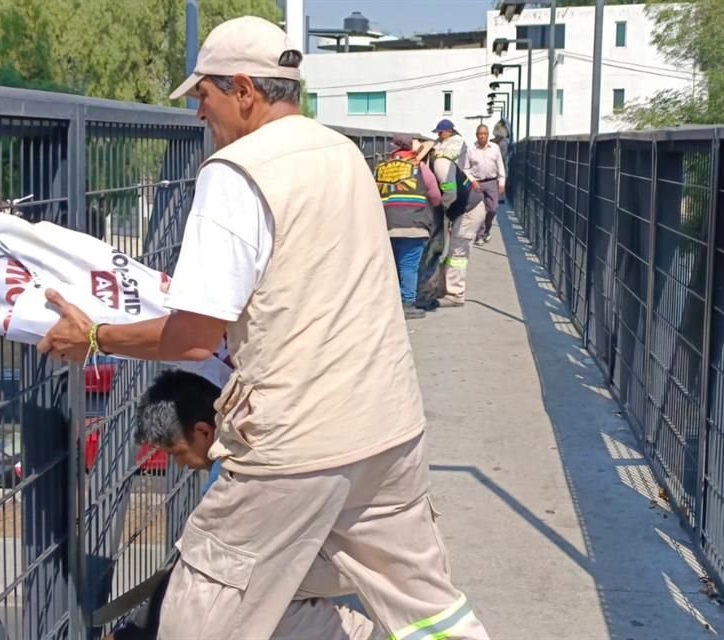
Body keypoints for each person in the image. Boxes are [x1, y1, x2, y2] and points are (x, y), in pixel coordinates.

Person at [38, 15, 489, 640]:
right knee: (427, 608)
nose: (201, 114)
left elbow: (196, 335)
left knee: (197, 617)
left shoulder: (237, 173)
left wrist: (94, 336)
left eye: (204, 95)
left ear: (245, 90)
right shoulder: (346, 154)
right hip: (389, 425)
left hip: (298, 444)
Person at [106, 369, 374, 640]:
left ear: (203, 431)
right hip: (352, 547)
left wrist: (134, 633)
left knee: (229, 603)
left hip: (335, 564)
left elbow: (205, 574)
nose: (179, 464)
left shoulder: (231, 479)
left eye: (176, 453)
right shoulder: (249, 440)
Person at [374, 133, 442, 319]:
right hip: (414, 223)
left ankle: (391, 302)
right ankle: (407, 303)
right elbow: (435, 195)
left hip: (386, 223)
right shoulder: (418, 167)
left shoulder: (381, 168)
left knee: (392, 265)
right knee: (409, 265)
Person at [430, 119, 486, 308]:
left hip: (469, 209)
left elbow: (450, 193)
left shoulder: (439, 164)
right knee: (453, 249)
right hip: (468, 207)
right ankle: (443, 289)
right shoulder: (443, 159)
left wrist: (442, 212)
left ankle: (455, 294)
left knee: (457, 253)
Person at [463, 124, 506, 246]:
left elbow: (500, 166)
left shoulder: (495, 148)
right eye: (480, 134)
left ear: (488, 135)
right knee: (480, 211)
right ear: (476, 135)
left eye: (485, 134)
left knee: (493, 209)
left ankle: (486, 230)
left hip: (492, 182)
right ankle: (480, 235)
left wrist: (501, 183)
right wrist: (473, 181)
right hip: (477, 183)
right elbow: (466, 169)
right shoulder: (471, 149)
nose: (482, 136)